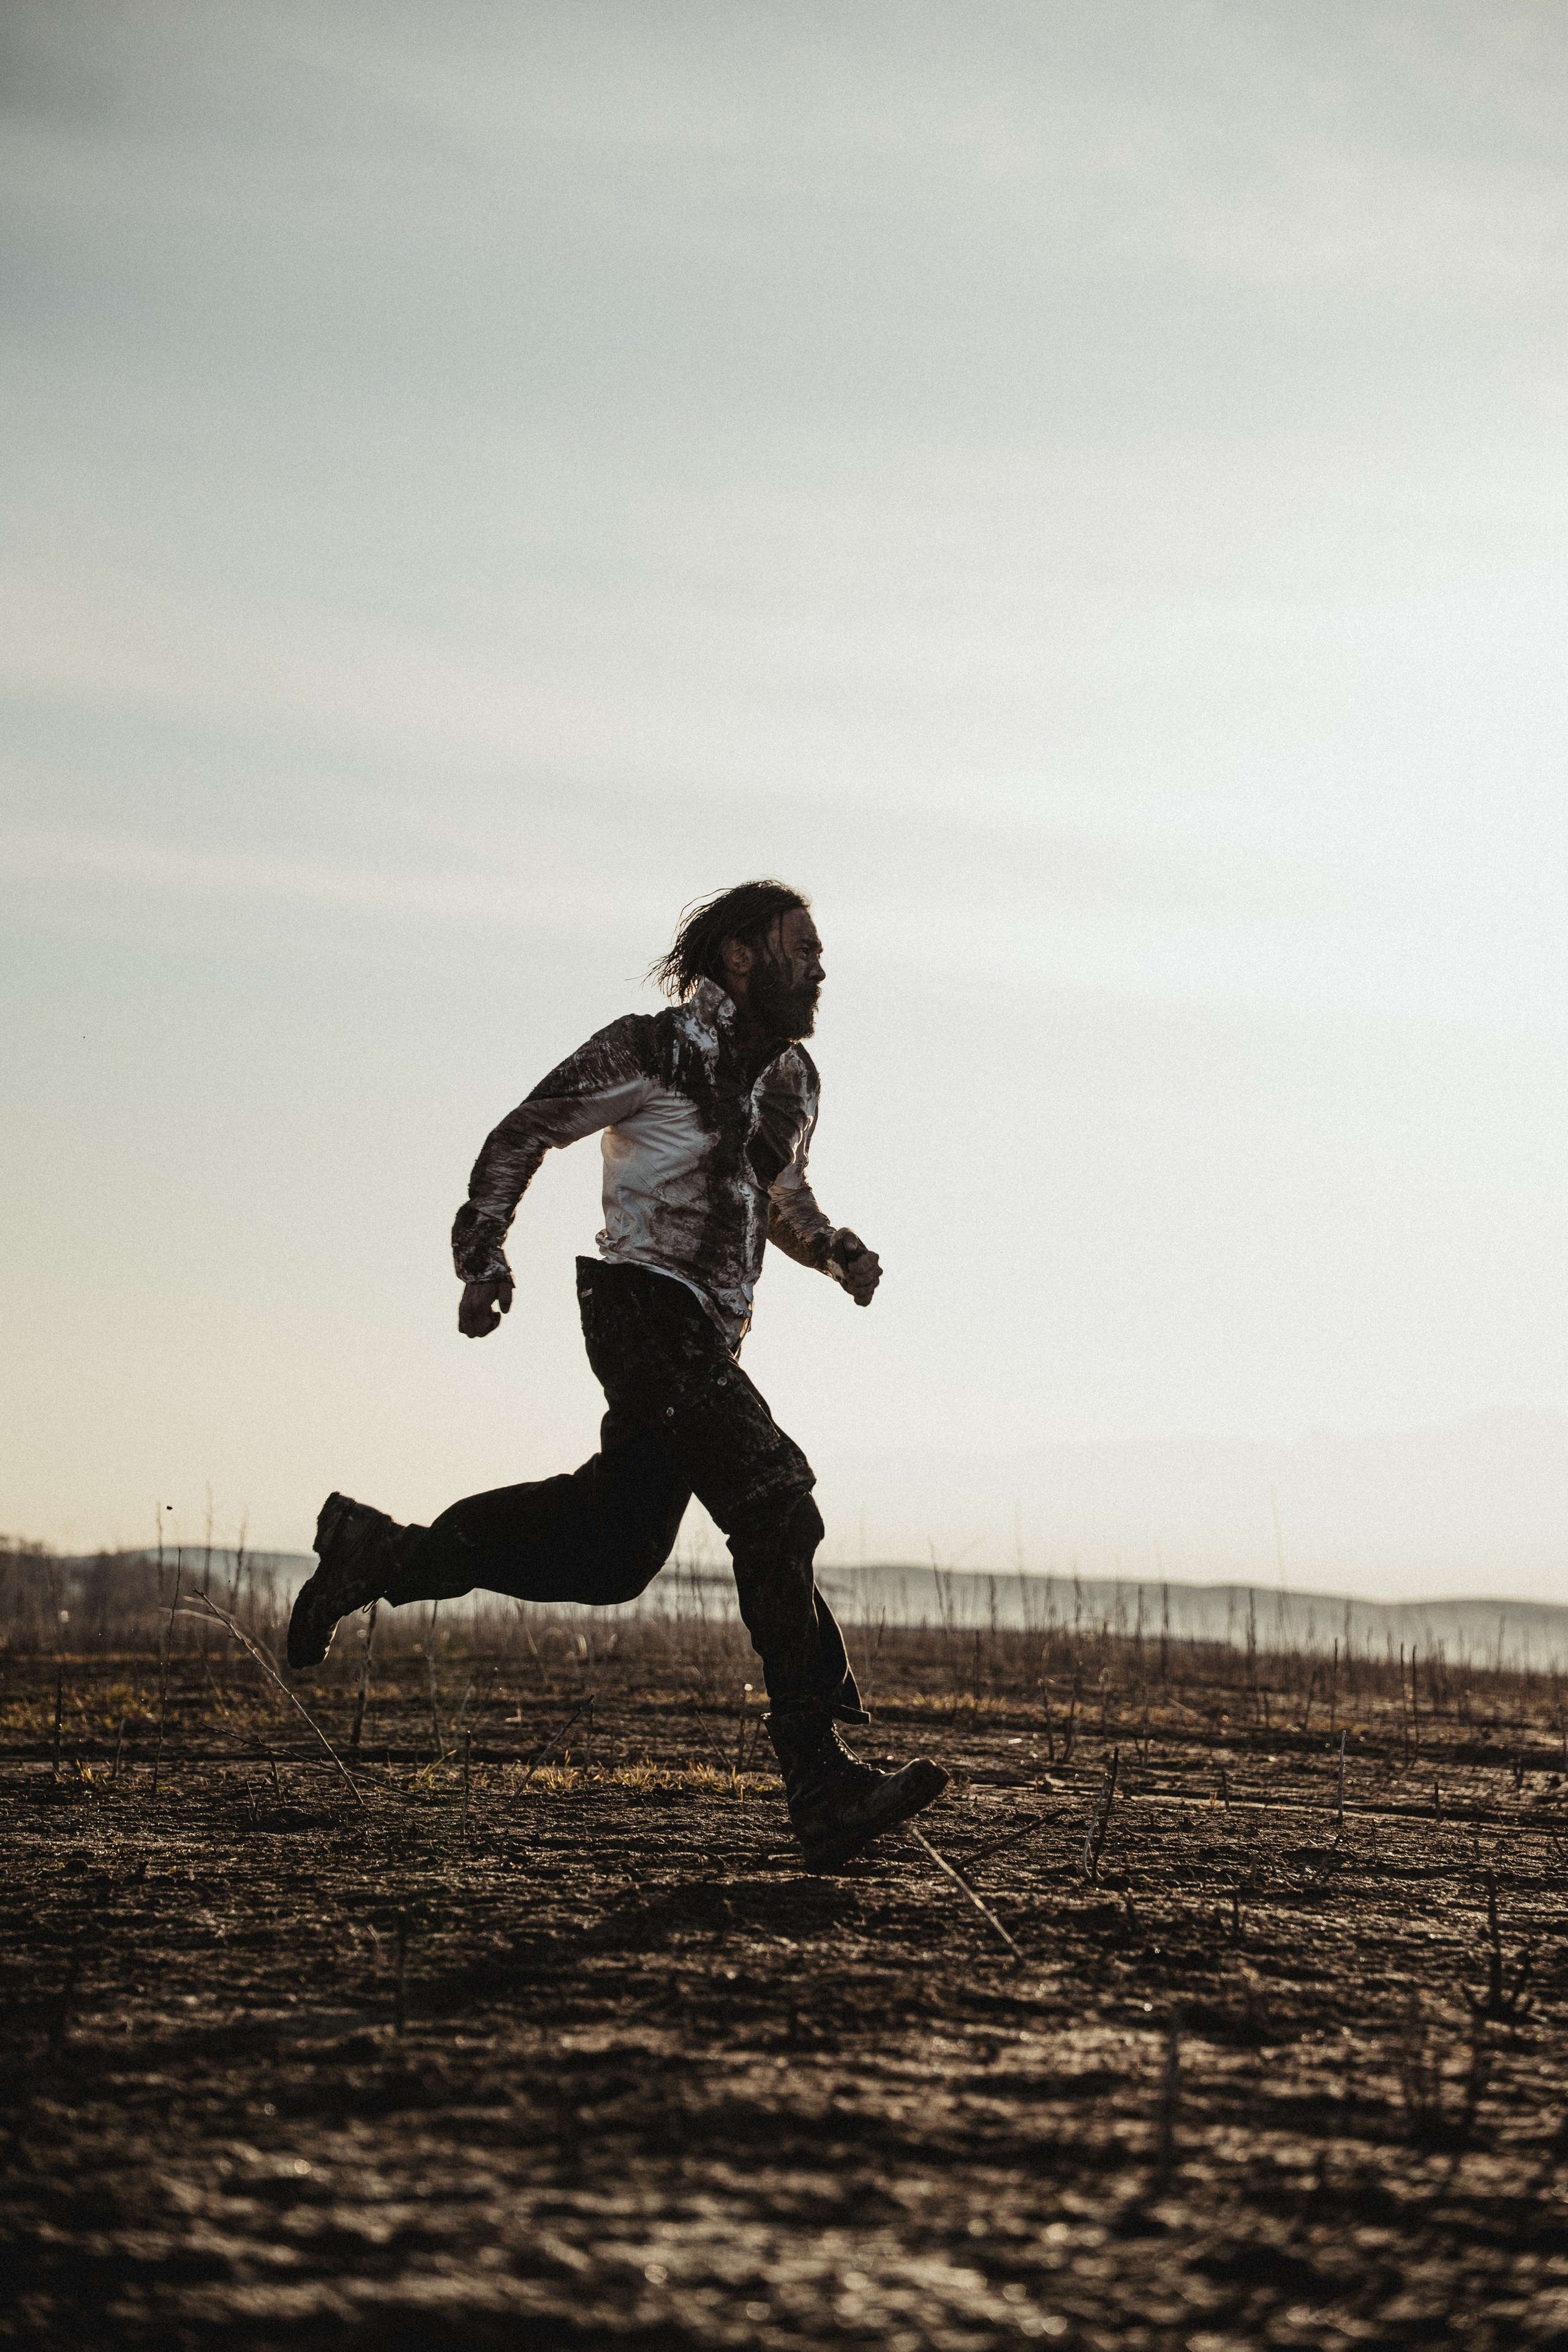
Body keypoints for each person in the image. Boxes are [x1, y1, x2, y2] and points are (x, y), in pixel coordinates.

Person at [287, 879, 946, 1870]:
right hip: (641, 1312)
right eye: (801, 947)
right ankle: (819, 1779)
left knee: (613, 1553)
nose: (820, 965)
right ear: (738, 959)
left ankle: (377, 1556)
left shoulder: (794, 1080)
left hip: (707, 1338)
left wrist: (833, 1249)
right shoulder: (652, 1050)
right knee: (776, 1502)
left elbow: (775, 1191)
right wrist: (484, 1257)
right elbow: (526, 1131)